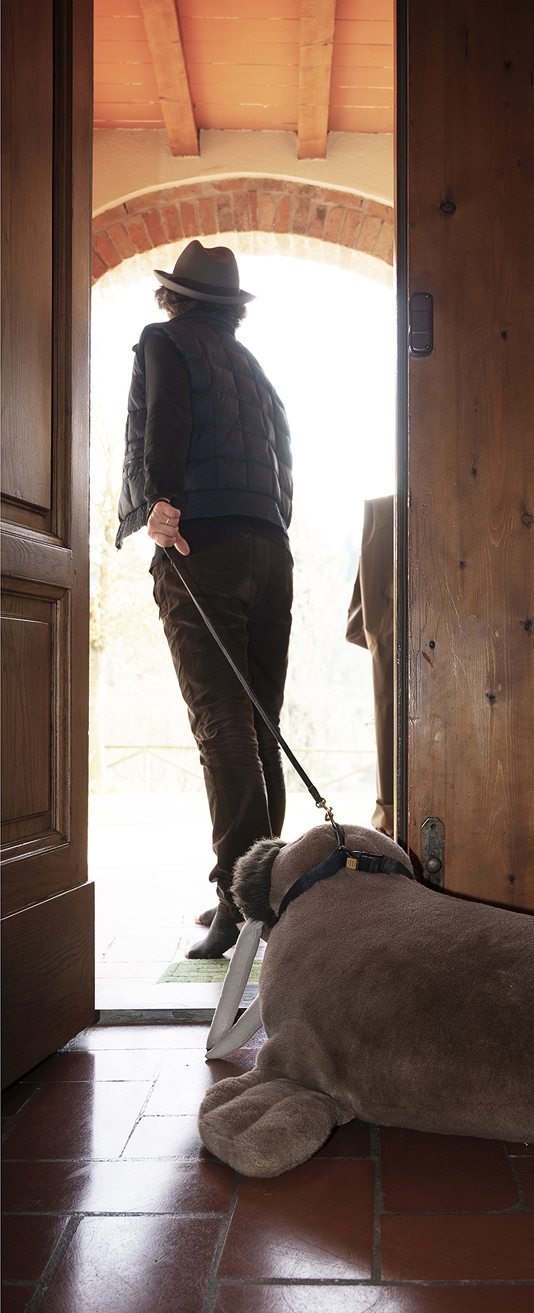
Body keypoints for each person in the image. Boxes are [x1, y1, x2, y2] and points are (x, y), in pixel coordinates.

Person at [116, 240, 294, 958]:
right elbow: (286, 455)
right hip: (269, 547)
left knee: (222, 724)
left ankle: (239, 900)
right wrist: (275, 528)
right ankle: (271, 889)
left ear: (174, 296)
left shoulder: (164, 341)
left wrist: (161, 502)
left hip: (201, 545)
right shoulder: (254, 369)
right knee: (259, 723)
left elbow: (165, 420)